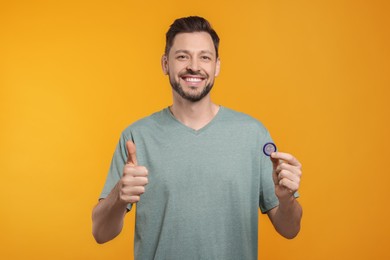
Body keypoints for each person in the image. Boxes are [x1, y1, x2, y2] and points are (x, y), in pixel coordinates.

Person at [92, 16, 302, 259]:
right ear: (165, 64)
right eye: (182, 56)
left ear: (217, 66)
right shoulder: (136, 138)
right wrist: (119, 194)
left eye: (205, 57)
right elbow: (100, 233)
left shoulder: (253, 135)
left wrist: (286, 199)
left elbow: (290, 229)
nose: (194, 66)